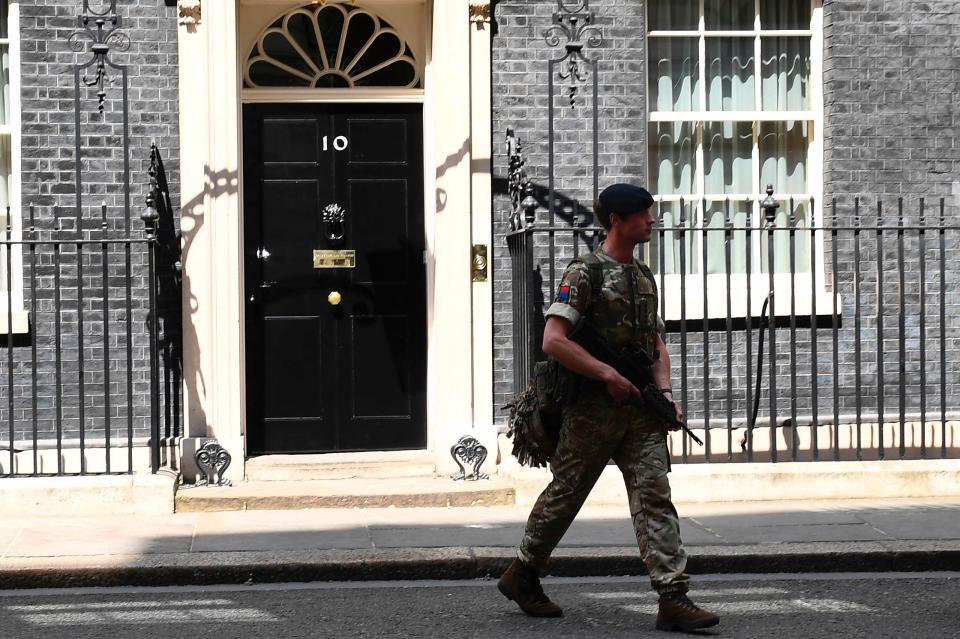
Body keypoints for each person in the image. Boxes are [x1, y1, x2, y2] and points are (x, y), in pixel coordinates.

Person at [497, 183, 720, 632]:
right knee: (566, 494)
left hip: (639, 412)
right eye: (643, 214)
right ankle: (523, 573)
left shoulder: (643, 275)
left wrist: (666, 395)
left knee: (654, 494)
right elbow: (553, 340)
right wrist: (607, 374)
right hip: (593, 410)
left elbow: (656, 344)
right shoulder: (585, 272)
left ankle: (673, 597)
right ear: (617, 219)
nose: (652, 220)